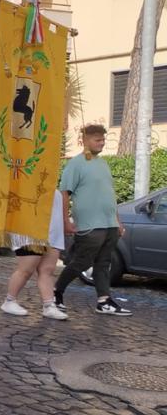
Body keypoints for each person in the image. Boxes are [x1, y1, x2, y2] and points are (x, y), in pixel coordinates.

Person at [54, 123, 131, 316]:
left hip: (109, 224)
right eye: (97, 139)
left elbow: (109, 196)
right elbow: (64, 194)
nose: (102, 143)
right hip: (90, 224)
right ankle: (56, 293)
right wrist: (65, 220)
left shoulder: (103, 163)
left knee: (103, 263)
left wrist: (118, 221)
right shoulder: (76, 164)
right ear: (85, 140)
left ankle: (104, 302)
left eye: (103, 139)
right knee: (81, 262)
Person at [1, 190, 68, 321]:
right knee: (26, 269)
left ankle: (49, 304)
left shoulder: (54, 187)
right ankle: (9, 300)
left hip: (52, 233)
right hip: (29, 232)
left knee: (47, 270)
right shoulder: (27, 183)